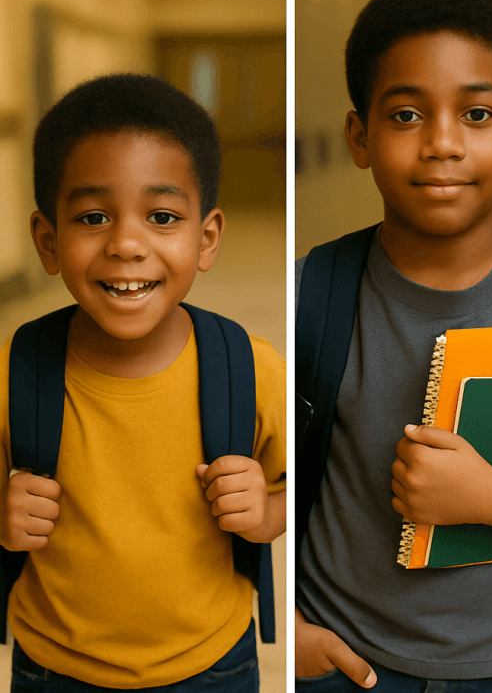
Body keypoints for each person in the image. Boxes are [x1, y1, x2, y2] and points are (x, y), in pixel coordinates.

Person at [293, 0, 492, 693]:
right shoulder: (314, 293)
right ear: (360, 136)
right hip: (345, 661)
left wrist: (490, 497)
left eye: (477, 115)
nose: (442, 144)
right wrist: (287, 633)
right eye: (406, 116)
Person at [0, 73, 286, 691]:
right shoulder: (14, 371)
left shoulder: (249, 365)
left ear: (205, 239)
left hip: (212, 665)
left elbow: (318, 478)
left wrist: (266, 511)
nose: (127, 244)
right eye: (94, 216)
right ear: (48, 242)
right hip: (54, 667)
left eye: (161, 216)